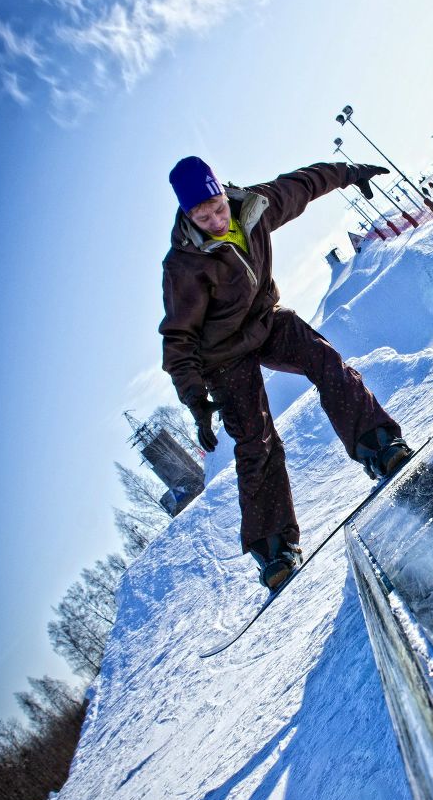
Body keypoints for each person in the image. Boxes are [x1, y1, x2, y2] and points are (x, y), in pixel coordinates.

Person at [160, 156, 413, 590]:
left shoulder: (255, 207)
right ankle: (273, 547)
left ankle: (377, 444)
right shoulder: (183, 266)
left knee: (322, 357)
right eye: (204, 218)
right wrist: (195, 400)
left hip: (265, 320)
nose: (217, 222)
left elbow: (303, 183)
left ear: (224, 192)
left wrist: (350, 173)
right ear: (188, 215)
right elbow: (178, 338)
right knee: (254, 439)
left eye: (219, 208)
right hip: (221, 357)